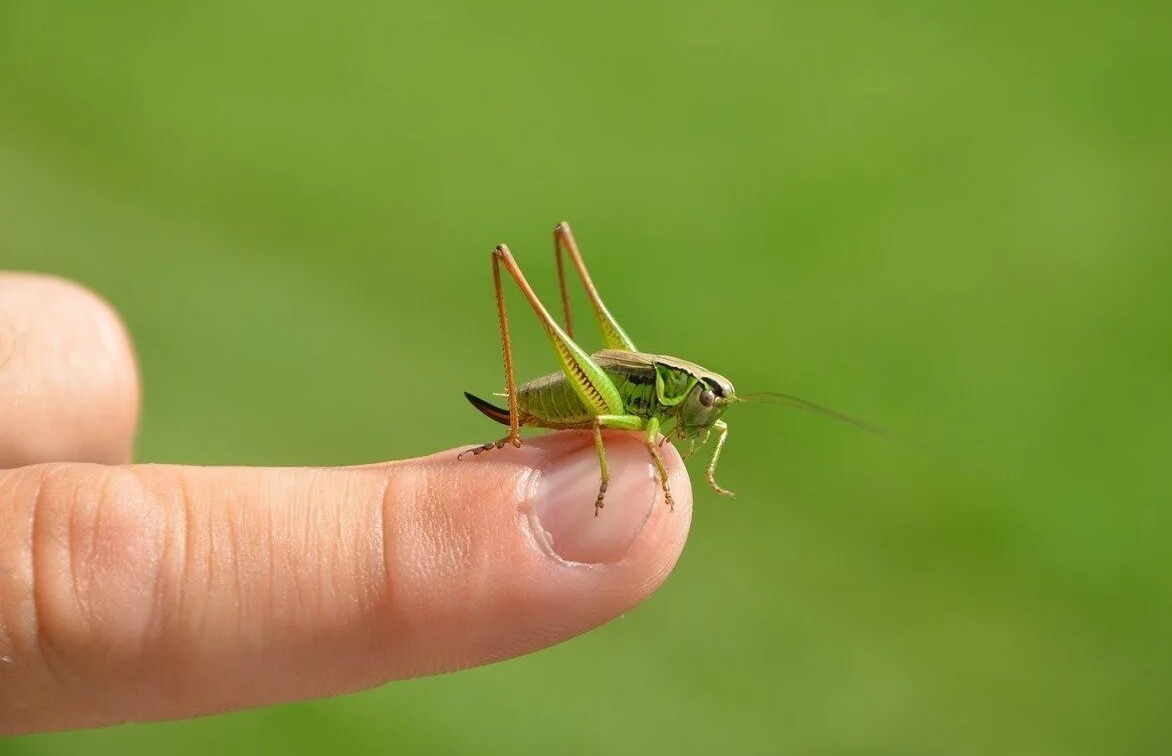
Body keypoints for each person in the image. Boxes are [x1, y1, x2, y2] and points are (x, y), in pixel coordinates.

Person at [0, 273, 691, 736]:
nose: (706, 413)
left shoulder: (688, 416)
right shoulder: (645, 401)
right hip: (594, 396)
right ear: (676, 389)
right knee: (604, 418)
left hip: (605, 393)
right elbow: (610, 423)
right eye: (702, 399)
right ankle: (514, 426)